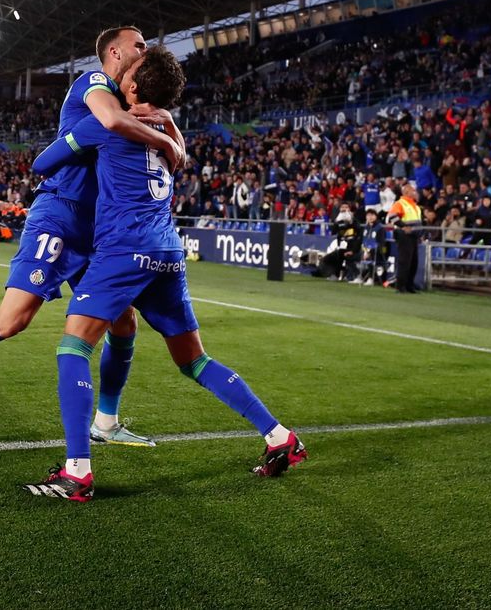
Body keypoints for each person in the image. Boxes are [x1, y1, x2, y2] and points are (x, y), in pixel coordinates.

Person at [18, 48, 304, 501]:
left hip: (123, 250)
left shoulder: (103, 123)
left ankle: (77, 473)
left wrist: (82, 147)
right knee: (195, 361)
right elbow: (178, 154)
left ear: (131, 86)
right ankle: (279, 436)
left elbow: (41, 164)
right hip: (169, 251)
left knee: (73, 346)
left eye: (127, 72)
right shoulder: (170, 128)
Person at [0, 26, 184, 447]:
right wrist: (171, 143)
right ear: (114, 51)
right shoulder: (95, 83)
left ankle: (107, 422)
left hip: (96, 227)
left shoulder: (127, 102)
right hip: (60, 214)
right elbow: (110, 124)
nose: (145, 50)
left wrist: (168, 129)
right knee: (12, 320)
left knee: (124, 323)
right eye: (138, 45)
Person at [386, 181, 423, 292]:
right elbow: (392, 217)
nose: (415, 192)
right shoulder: (400, 203)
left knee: (413, 262)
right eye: (413, 190)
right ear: (407, 192)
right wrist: (403, 226)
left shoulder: (415, 205)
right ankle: (400, 286)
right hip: (404, 236)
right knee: (404, 262)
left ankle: (409, 285)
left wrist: (420, 234)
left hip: (414, 236)